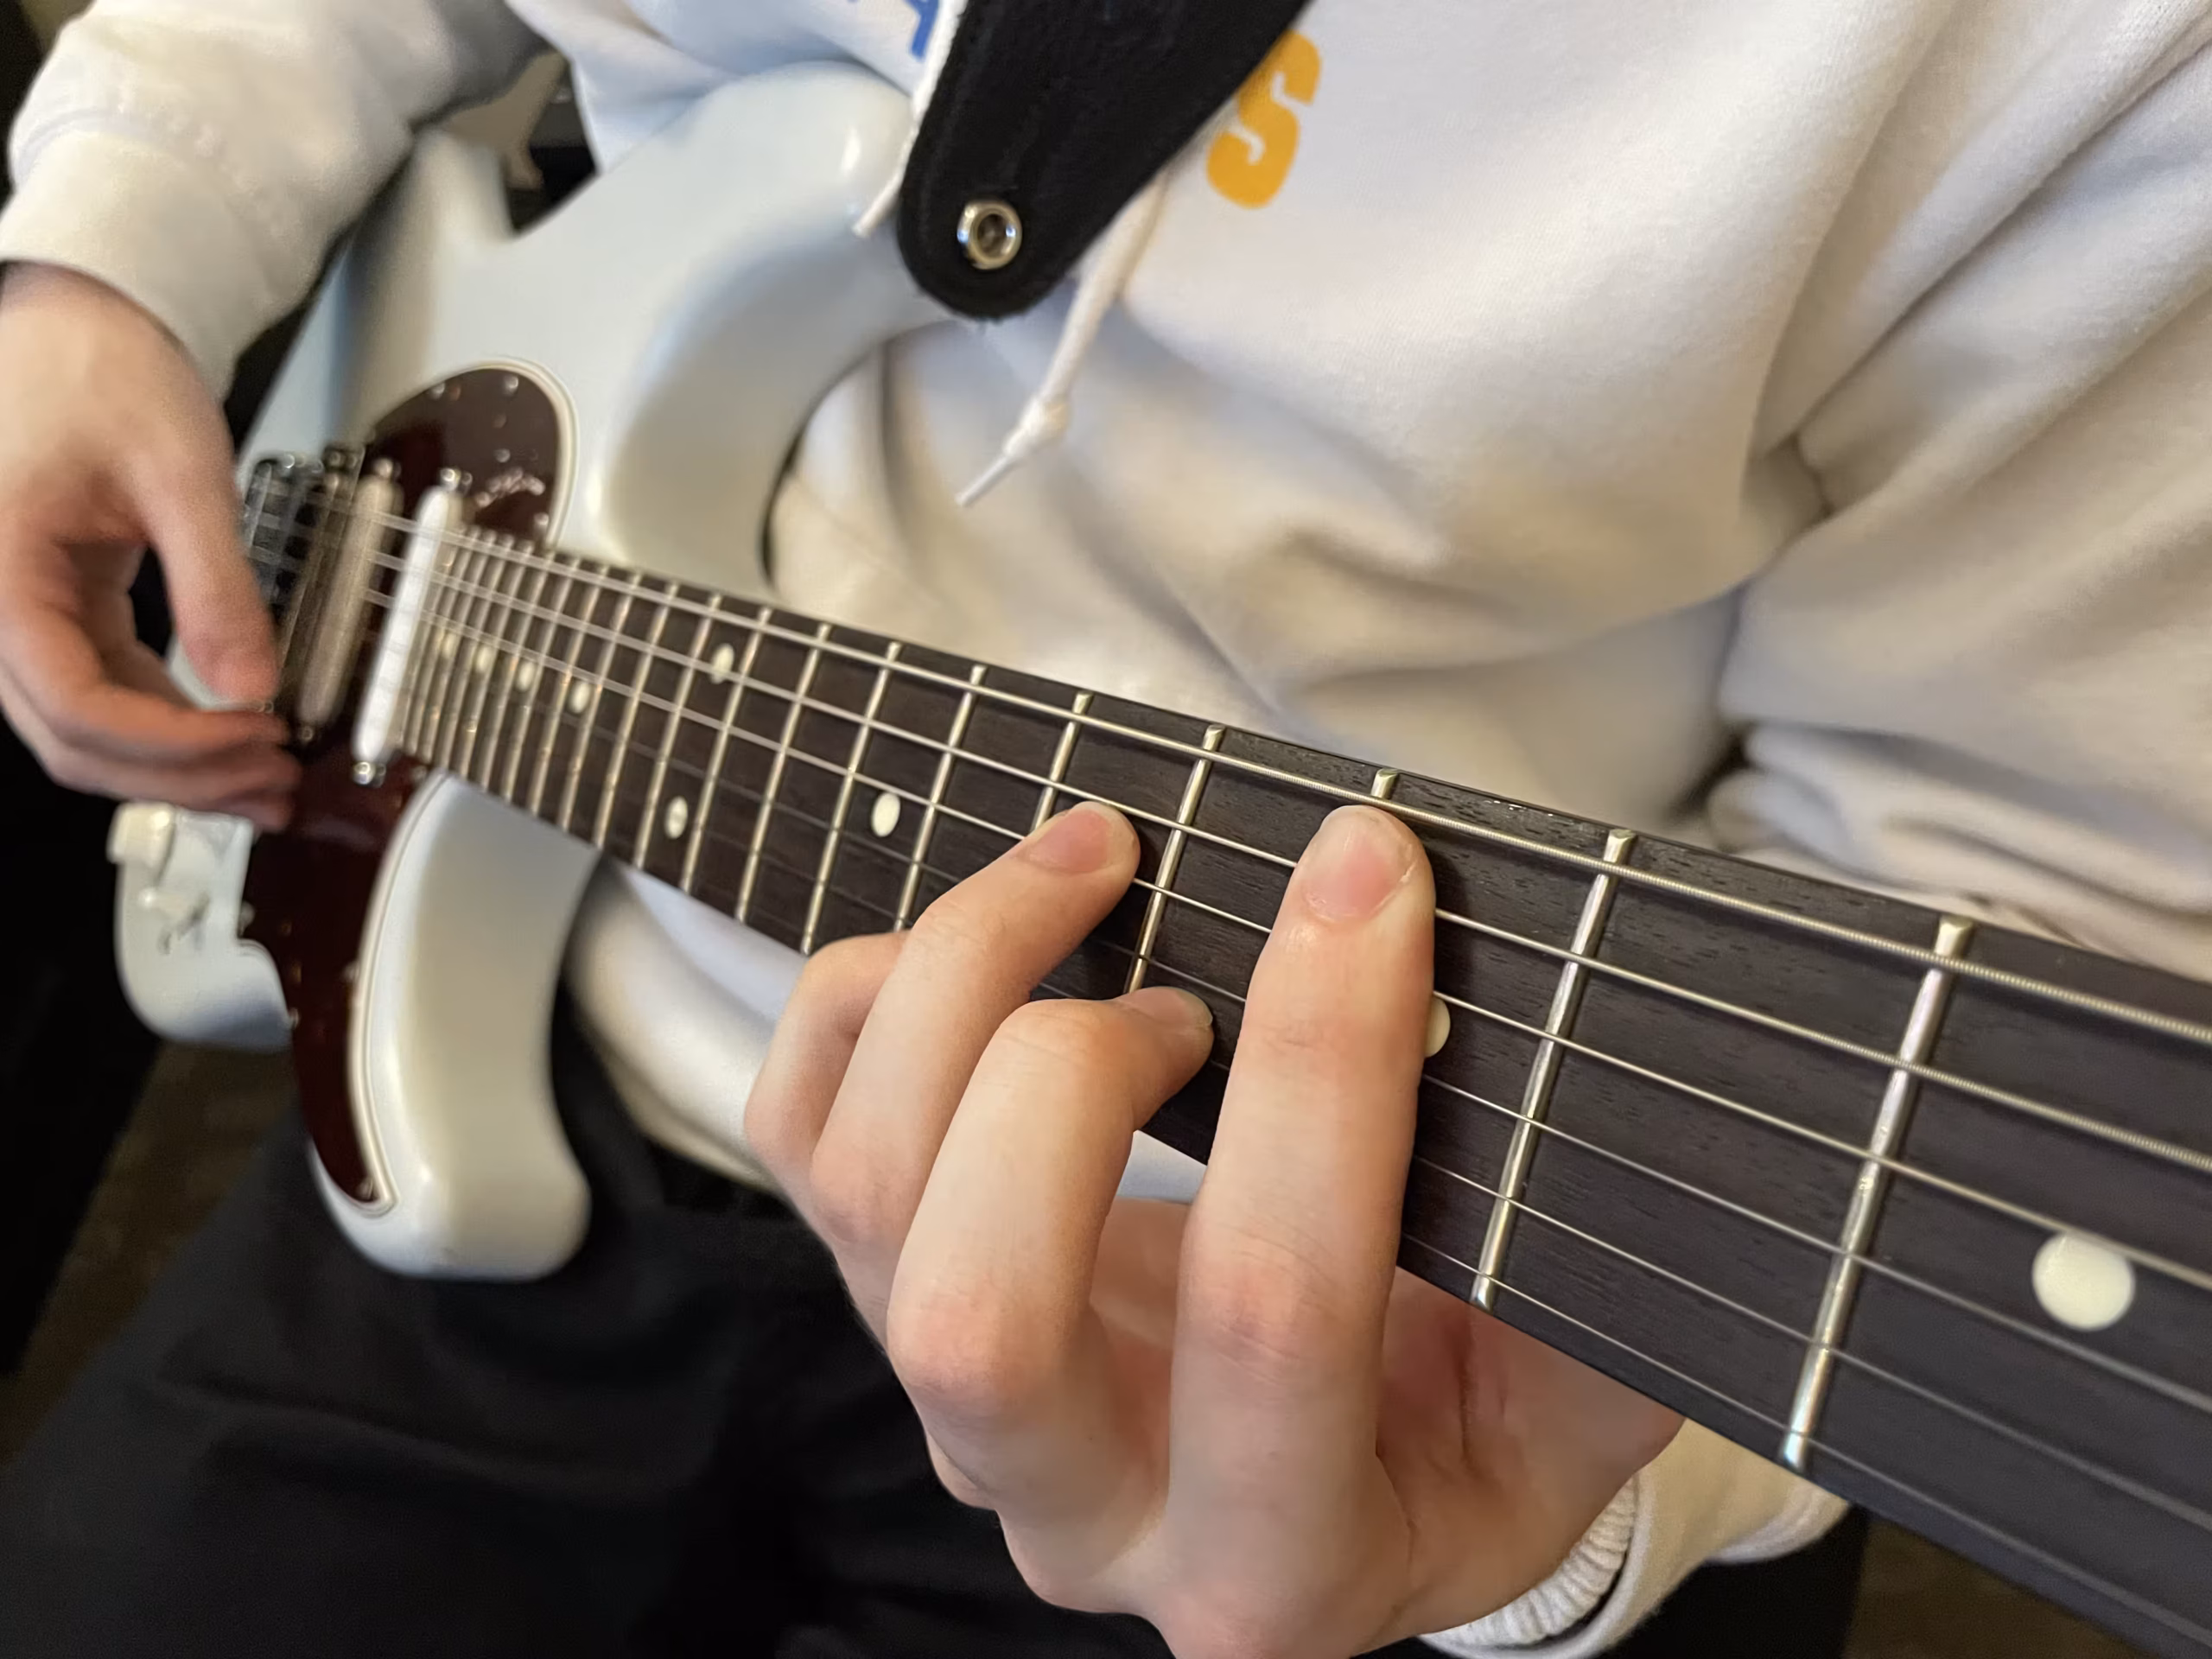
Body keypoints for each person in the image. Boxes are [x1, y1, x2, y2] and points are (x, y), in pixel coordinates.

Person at [1, 0, 2207, 1653]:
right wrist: (100, 257)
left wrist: (1570, 1489)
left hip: (1253, 1323)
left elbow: (2018, 905)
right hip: (540, 1012)